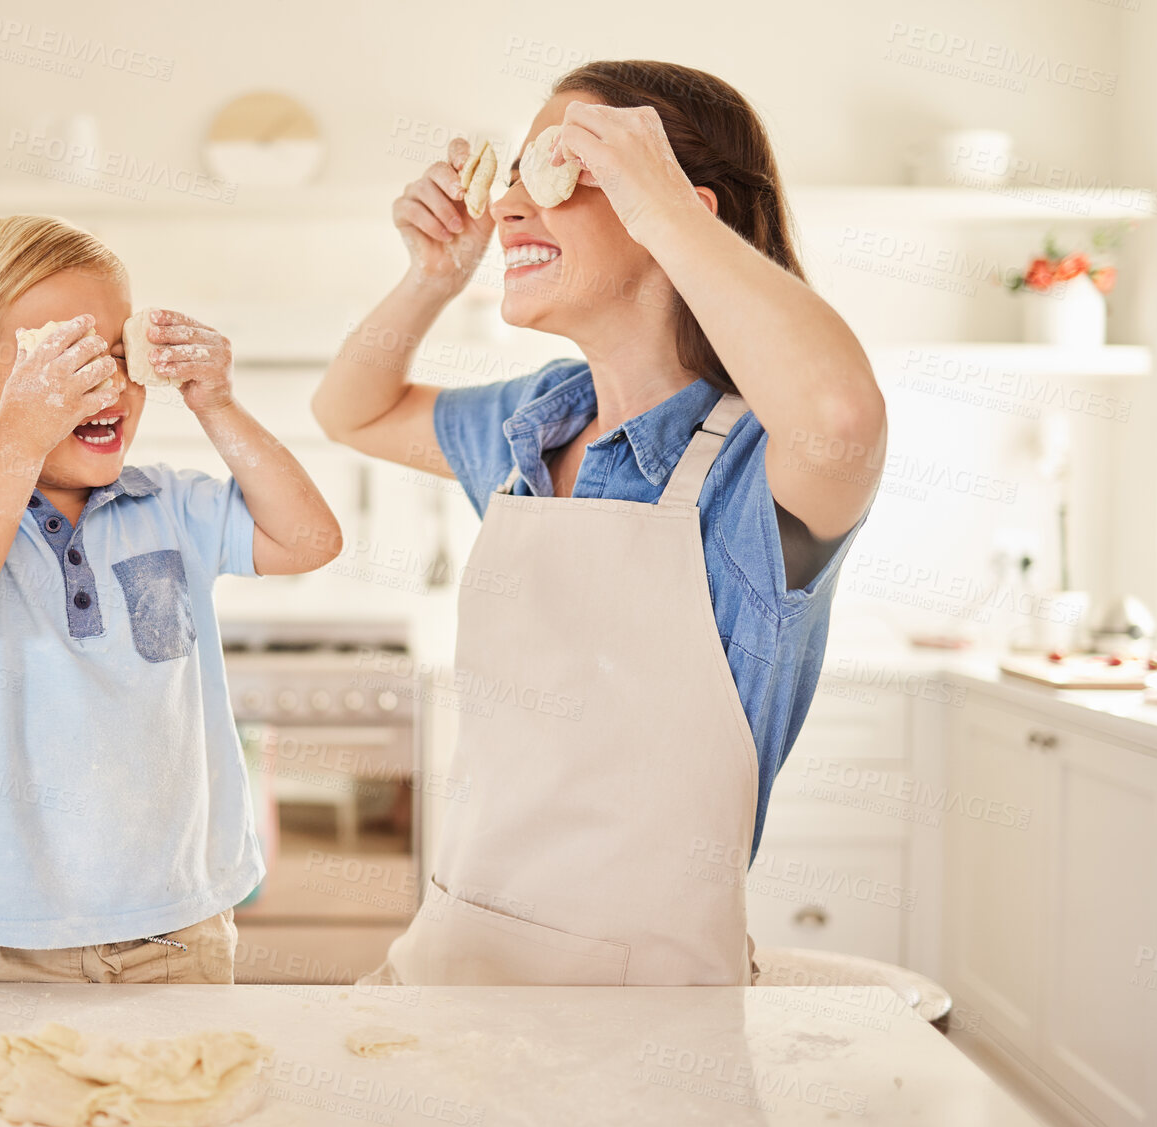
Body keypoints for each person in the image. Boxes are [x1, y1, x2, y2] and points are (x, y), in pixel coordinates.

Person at [313, 62, 886, 986]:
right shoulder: (536, 420)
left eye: (561, 167)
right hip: (455, 952)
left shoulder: (751, 472)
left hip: (644, 1004)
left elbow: (841, 416)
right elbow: (352, 411)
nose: (504, 207)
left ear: (675, 207)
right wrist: (431, 277)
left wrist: (669, 217)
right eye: (513, 178)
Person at [0, 214, 341, 982]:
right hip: (13, 931)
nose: (106, 385)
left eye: (117, 356)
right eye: (58, 368)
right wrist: (19, 438)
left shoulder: (170, 507)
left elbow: (309, 541)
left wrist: (218, 403)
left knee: (180, 1095)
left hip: (179, 923)